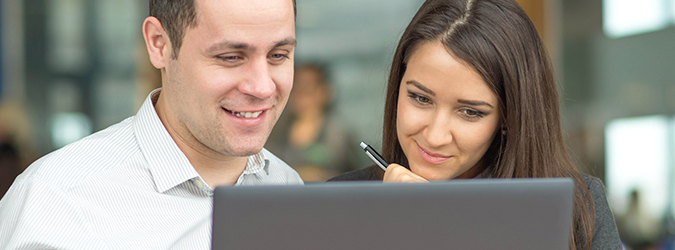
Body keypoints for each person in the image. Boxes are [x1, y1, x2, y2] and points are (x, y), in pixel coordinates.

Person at [0, 0, 301, 249]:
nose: (262, 87)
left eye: (278, 55)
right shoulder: (57, 202)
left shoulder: (291, 189)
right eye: (231, 57)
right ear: (160, 44)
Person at [328, 0, 622, 249]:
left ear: (508, 117)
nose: (435, 135)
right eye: (420, 98)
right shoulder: (338, 202)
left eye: (470, 112)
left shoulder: (577, 208)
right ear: (397, 86)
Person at [266, 64, 360, 181]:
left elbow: (356, 176)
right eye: (296, 89)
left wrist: (318, 176)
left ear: (325, 91)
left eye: (308, 88)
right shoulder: (275, 132)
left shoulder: (339, 134)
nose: (302, 96)